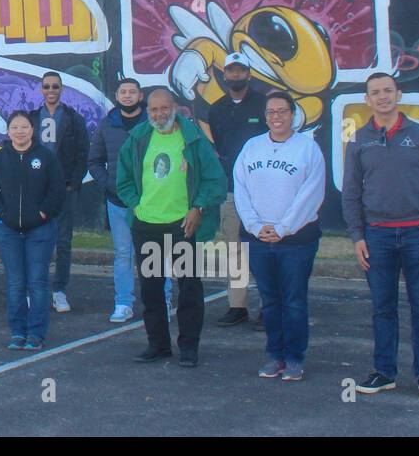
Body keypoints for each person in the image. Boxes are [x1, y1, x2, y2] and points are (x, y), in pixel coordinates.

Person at [343, 72, 419, 400]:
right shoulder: (359, 140)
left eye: (388, 90)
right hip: (377, 237)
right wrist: (357, 236)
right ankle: (384, 373)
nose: (382, 96)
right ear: (367, 100)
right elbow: (350, 193)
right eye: (375, 92)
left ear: (398, 94)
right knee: (382, 308)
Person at [117, 87, 226, 367]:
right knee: (151, 290)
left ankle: (189, 347)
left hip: (183, 227)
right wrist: (136, 206)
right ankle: (158, 345)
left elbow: (215, 180)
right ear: (147, 111)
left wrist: (197, 207)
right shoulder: (138, 138)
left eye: (164, 108)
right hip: (148, 225)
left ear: (174, 107)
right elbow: (124, 180)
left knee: (189, 289)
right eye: (153, 109)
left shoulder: (192, 138)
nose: (159, 114)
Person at [234, 91, 325, 382]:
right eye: (271, 112)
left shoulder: (307, 149)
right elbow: (241, 188)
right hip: (258, 237)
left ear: (292, 114)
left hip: (297, 239)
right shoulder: (252, 147)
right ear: (265, 116)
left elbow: (311, 194)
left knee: (294, 300)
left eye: (282, 111)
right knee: (270, 301)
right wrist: (254, 225)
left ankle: (295, 358)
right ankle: (275, 356)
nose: (276, 117)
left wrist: (283, 228)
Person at [0, 111, 65, 350]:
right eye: (15, 127)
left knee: (37, 282)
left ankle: (36, 334)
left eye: (24, 127)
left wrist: (43, 213)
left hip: (40, 231)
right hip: (8, 231)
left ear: (32, 129)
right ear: (8, 131)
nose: (20, 131)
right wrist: (0, 214)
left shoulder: (46, 157)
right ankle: (18, 332)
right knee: (15, 283)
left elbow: (57, 190)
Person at [89, 77, 168, 323]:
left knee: (156, 252)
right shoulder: (106, 124)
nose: (127, 95)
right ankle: (123, 302)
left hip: (151, 202)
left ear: (140, 96)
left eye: (132, 92)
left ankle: (163, 300)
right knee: (124, 253)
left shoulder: (153, 123)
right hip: (119, 201)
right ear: (117, 95)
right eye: (123, 91)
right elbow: (94, 161)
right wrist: (110, 184)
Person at [206, 52, 268, 327]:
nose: (235, 75)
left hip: (264, 190)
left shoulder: (265, 105)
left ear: (249, 74)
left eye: (240, 70)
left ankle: (269, 305)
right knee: (235, 249)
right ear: (225, 75)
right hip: (232, 190)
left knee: (265, 249)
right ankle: (237, 306)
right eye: (231, 70)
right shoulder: (216, 108)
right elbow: (221, 146)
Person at [29, 71, 89, 314]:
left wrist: (73, 182)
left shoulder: (73, 118)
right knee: (35, 240)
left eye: (55, 86)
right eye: (47, 86)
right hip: (37, 188)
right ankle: (36, 289)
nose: (51, 90)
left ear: (61, 89)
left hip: (64, 187)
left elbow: (83, 153)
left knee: (63, 241)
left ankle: (59, 290)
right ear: (41, 90)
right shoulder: (32, 118)